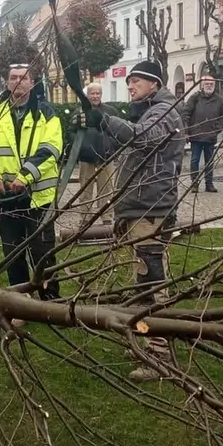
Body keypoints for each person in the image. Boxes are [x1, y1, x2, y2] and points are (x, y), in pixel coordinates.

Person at [73, 60, 184, 382]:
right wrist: (93, 125)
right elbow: (123, 146)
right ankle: (145, 338)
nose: (130, 86)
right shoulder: (147, 111)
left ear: (154, 83)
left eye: (136, 81)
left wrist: (104, 119)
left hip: (152, 208)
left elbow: (141, 138)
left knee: (152, 282)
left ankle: (160, 355)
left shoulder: (164, 112)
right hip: (140, 207)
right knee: (143, 279)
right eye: (129, 82)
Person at [0, 64, 63, 300]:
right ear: (7, 82)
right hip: (6, 197)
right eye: (13, 77)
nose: (18, 81)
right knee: (12, 254)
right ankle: (20, 301)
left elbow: (51, 149)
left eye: (24, 78)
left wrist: (25, 176)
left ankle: (50, 301)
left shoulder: (46, 113)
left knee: (42, 253)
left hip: (38, 197)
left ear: (32, 83)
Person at [76, 83, 119, 224]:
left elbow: (117, 132)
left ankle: (107, 217)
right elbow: (72, 133)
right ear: (87, 95)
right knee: (85, 189)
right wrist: (80, 148)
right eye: (92, 93)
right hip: (86, 156)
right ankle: (85, 218)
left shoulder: (111, 111)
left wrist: (112, 147)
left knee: (106, 189)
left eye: (97, 93)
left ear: (101, 94)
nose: (95, 96)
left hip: (106, 156)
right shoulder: (80, 112)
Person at [183, 74, 223, 193]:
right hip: (196, 136)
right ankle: (194, 184)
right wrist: (187, 131)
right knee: (194, 161)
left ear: (215, 85)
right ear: (202, 85)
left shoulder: (220, 100)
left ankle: (209, 184)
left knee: (209, 161)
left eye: (211, 84)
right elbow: (186, 114)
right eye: (207, 84)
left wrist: (216, 129)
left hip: (210, 136)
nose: (209, 86)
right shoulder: (195, 98)